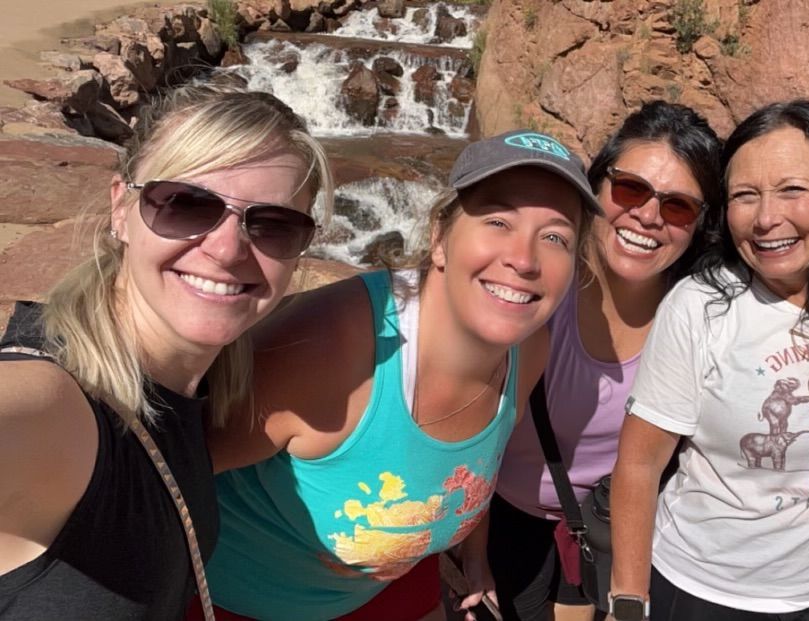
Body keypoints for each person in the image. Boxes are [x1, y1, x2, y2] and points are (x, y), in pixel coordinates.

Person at [198, 130, 602, 621]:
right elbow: (165, 478)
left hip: (384, 595)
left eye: (555, 237)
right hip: (233, 601)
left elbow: (477, 465)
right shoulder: (329, 350)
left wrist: (476, 558)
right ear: (439, 239)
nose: (523, 259)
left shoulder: (529, 348)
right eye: (498, 220)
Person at [0, 84, 333, 619]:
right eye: (185, 204)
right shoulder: (55, 403)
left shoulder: (197, 388)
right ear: (121, 209)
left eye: (272, 224)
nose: (226, 250)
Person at [607, 100, 809, 621]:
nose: (767, 218)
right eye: (745, 195)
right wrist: (629, 603)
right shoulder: (700, 306)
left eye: (793, 189)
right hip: (696, 589)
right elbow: (639, 464)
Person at [486, 102, 724, 621]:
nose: (648, 216)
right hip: (505, 516)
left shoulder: (702, 317)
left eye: (678, 205)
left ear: (701, 225)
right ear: (596, 186)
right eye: (630, 189)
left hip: (615, 523)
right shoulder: (536, 287)